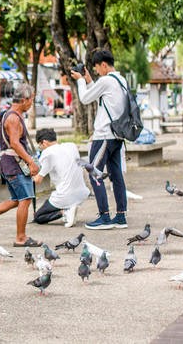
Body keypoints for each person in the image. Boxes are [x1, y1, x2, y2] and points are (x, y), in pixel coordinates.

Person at [0, 83, 41, 247]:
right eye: (31, 100)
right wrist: (31, 162)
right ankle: (21, 238)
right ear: (24, 100)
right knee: (25, 199)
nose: (31, 104)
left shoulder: (11, 115)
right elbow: (15, 144)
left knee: (17, 200)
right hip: (14, 164)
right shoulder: (12, 118)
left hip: (10, 164)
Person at [70, 49, 129, 230]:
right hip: (117, 136)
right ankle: (120, 216)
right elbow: (103, 100)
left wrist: (80, 80)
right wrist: (89, 81)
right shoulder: (121, 80)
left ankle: (104, 216)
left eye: (97, 68)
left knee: (94, 172)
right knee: (116, 175)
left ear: (104, 65)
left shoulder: (106, 80)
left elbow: (86, 98)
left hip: (104, 135)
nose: (96, 71)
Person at [31, 128, 89, 228]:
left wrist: (28, 174)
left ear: (44, 142)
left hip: (64, 195)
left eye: (40, 145)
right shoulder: (71, 146)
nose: (40, 148)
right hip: (82, 193)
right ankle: (69, 208)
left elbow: (38, 180)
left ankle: (65, 212)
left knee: (38, 217)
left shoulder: (48, 153)